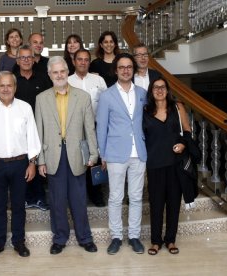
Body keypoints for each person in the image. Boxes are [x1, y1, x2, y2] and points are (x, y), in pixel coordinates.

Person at [35, 56, 98, 255]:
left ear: (67, 72)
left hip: (77, 154)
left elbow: (90, 128)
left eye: (62, 71)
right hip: (53, 155)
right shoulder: (41, 98)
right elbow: (39, 130)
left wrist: (94, 154)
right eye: (55, 72)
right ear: (49, 75)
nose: (59, 75)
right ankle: (59, 238)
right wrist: (40, 160)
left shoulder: (83, 96)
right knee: (57, 200)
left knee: (79, 199)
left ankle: (85, 238)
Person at [0, 71, 41, 259]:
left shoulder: (25, 108)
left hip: (20, 164)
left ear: (15, 87)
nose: (6, 89)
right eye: (2, 86)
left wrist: (32, 163)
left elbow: (32, 137)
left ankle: (19, 242)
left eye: (9, 85)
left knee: (19, 205)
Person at [96, 53, 147, 255]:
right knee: (116, 197)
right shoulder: (107, 95)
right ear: (115, 70)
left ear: (133, 69)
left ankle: (134, 236)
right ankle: (116, 237)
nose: (126, 70)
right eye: (121, 67)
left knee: (136, 197)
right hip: (115, 153)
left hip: (139, 152)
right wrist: (103, 154)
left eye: (129, 67)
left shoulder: (143, 93)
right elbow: (101, 127)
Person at [143, 77, 190, 256]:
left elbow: (187, 131)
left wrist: (183, 145)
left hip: (174, 164)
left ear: (167, 90)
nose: (160, 90)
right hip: (154, 164)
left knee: (173, 203)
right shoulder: (145, 111)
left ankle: (170, 240)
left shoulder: (177, 108)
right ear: (151, 91)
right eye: (156, 87)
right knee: (156, 204)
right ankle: (156, 241)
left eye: (163, 87)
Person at [14, 45, 52, 211]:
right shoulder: (12, 79)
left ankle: (40, 198)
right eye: (23, 57)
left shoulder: (43, 78)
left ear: (34, 59)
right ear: (17, 60)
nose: (26, 60)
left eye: (29, 57)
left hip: (40, 127)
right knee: (23, 164)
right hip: (18, 130)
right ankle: (27, 198)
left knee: (39, 163)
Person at [68, 48, 107, 207]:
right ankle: (79, 196)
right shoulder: (68, 81)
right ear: (73, 61)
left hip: (96, 126)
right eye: (79, 59)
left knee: (95, 160)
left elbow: (105, 104)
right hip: (75, 128)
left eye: (86, 59)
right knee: (78, 161)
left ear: (89, 62)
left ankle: (96, 195)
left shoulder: (99, 81)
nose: (83, 62)